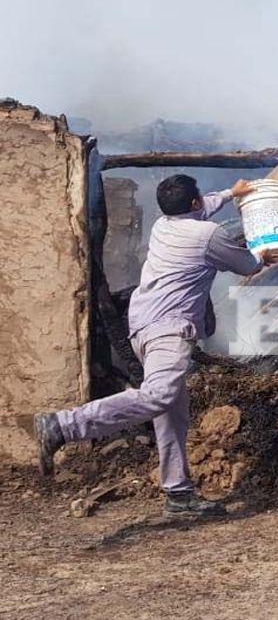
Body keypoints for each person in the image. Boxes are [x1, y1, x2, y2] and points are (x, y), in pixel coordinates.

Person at [34, 175, 261, 516]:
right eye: (201, 199)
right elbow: (250, 264)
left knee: (171, 414)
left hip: (143, 327)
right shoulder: (208, 235)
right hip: (168, 330)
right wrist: (271, 247)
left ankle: (179, 493)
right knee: (159, 396)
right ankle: (64, 425)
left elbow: (203, 209)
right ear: (195, 203)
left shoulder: (163, 227)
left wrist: (231, 193)